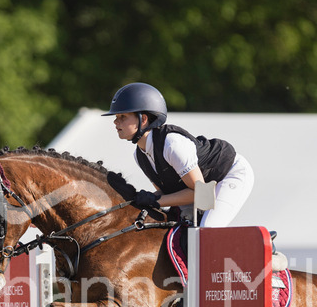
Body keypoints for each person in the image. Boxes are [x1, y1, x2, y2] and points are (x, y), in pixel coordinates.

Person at [103, 82, 254, 227]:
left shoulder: (172, 144)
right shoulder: (140, 155)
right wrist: (145, 198)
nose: (116, 122)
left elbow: (202, 195)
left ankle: (262, 247)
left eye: (122, 117)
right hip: (202, 187)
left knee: (208, 229)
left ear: (143, 119)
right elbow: (168, 192)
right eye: (116, 117)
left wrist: (155, 200)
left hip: (230, 174)